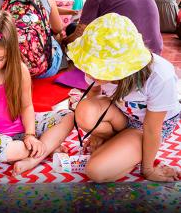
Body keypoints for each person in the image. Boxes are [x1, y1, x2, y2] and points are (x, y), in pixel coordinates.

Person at [0, 11, 74, 176]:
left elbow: (26, 106)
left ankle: (35, 156)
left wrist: (30, 135)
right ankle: (47, 147)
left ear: (10, 53)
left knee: (68, 116)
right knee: (8, 151)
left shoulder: (20, 71)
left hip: (22, 128)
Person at [68, 13, 181, 182]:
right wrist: (96, 133)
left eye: (99, 67)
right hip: (122, 114)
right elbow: (93, 95)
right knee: (83, 110)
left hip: (147, 127)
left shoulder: (159, 76)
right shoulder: (94, 70)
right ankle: (121, 145)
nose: (90, 72)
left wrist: (148, 169)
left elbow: (152, 129)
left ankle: (131, 149)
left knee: (96, 172)